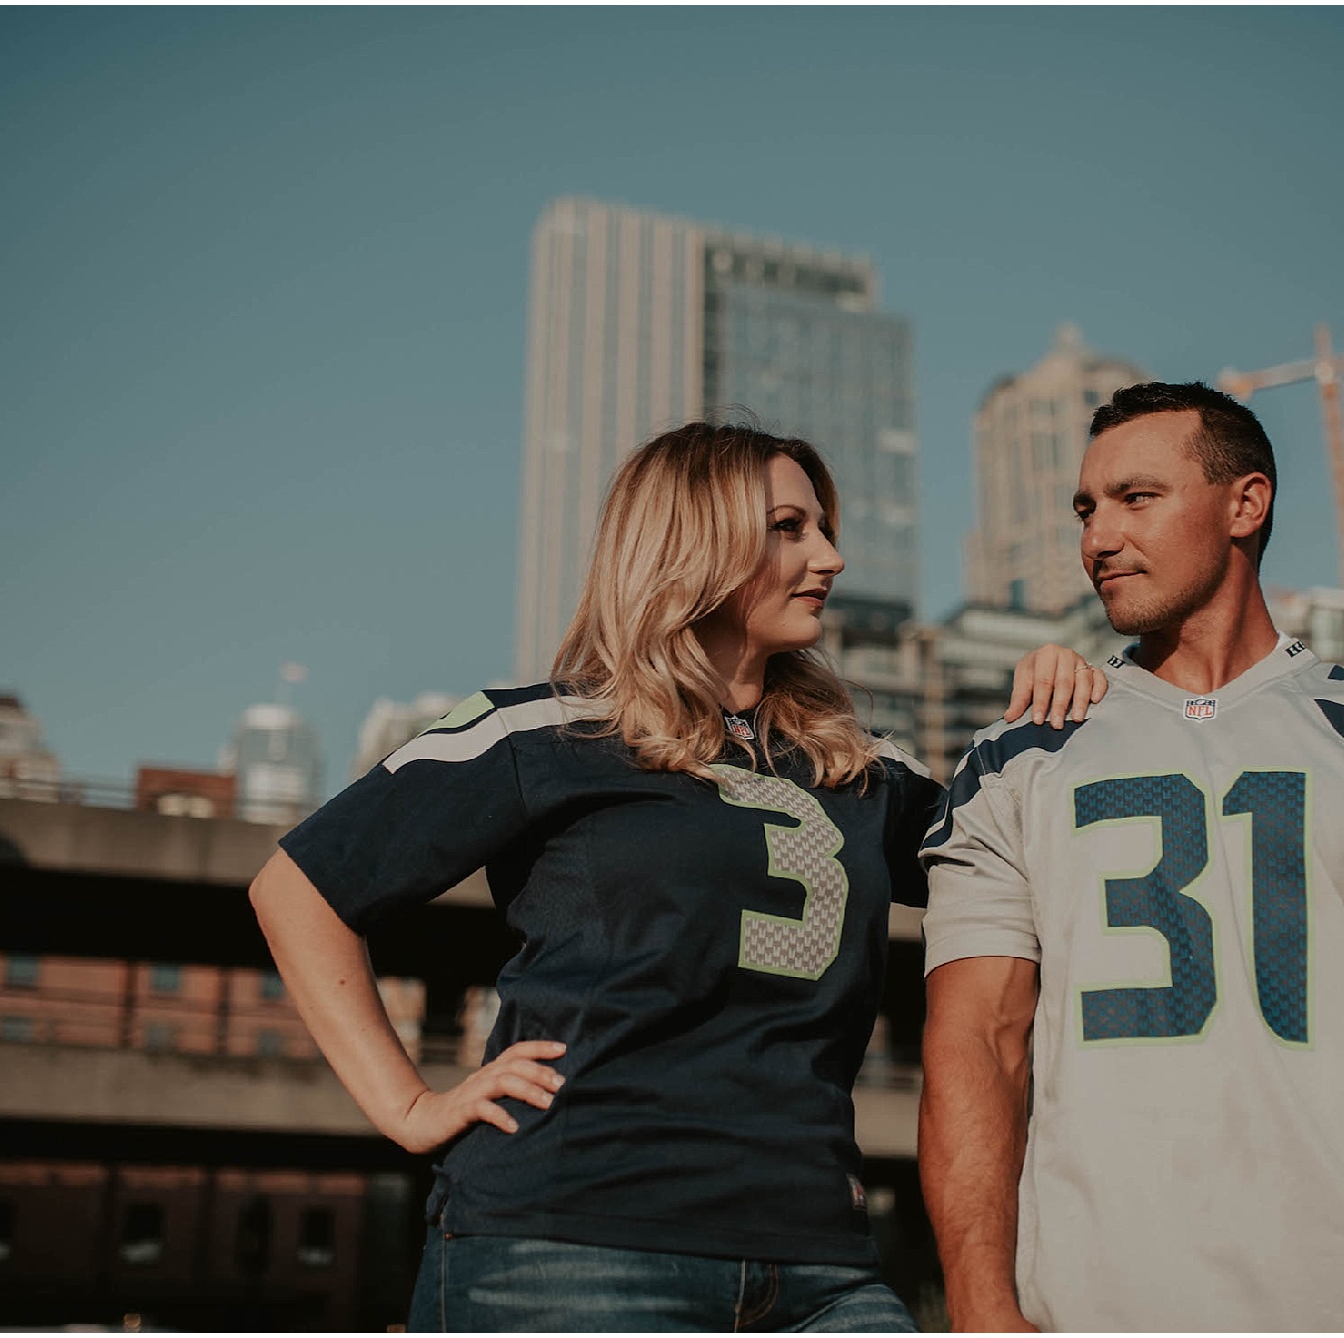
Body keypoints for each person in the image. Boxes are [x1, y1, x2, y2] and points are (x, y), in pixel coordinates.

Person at [248, 422, 1102, 1332]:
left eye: (822, 528)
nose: (831, 556)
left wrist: (1058, 708)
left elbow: (1037, 857)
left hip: (820, 1261)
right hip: (566, 1248)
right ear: (693, 542)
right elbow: (299, 886)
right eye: (789, 528)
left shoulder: (863, 769)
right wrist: (410, 1105)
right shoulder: (543, 732)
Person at [918, 382, 1344, 1332]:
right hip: (1100, 1308)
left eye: (1136, 498)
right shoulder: (1015, 760)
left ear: (1246, 503)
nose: (1097, 537)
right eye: (1085, 508)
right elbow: (977, 1046)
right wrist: (980, 1309)